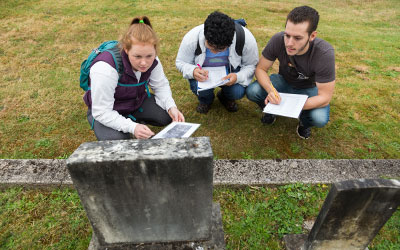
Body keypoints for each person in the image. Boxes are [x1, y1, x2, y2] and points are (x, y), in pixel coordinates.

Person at [84, 16, 184, 140]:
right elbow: (101, 111)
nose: (144, 63)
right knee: (118, 142)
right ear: (126, 49)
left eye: (149, 56)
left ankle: (133, 119)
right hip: (107, 109)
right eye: (137, 56)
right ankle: (128, 124)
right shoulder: (105, 69)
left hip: (134, 101)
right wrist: (132, 127)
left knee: (166, 115)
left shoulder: (153, 60)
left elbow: (160, 85)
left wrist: (171, 107)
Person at [246, 6, 335, 139]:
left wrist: (292, 105)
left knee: (319, 118)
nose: (289, 43)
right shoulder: (278, 39)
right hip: (283, 82)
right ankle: (271, 110)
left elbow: (325, 97)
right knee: (253, 91)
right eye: (287, 35)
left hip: (308, 89)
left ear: (312, 36)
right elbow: (260, 69)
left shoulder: (324, 53)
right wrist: (271, 91)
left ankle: (304, 123)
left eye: (297, 38)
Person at [176, 11, 258, 113]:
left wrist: (238, 77)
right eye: (211, 47)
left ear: (231, 40)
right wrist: (193, 71)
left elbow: (251, 65)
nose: (214, 52)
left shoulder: (246, 38)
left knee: (237, 92)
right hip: (202, 73)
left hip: (232, 71)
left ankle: (225, 97)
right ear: (205, 35)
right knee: (202, 90)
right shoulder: (191, 38)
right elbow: (180, 62)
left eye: (221, 49)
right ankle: (206, 100)